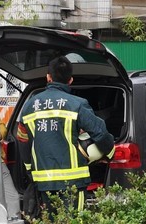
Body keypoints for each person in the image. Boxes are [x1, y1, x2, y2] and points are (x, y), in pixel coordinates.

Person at [16, 56, 115, 214]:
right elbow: (100, 132)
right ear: (70, 80)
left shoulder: (29, 107)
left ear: (48, 77)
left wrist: (30, 169)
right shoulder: (77, 104)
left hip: (43, 182)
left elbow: (22, 140)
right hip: (73, 182)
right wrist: (110, 153)